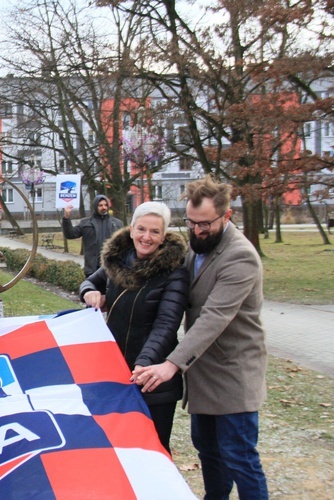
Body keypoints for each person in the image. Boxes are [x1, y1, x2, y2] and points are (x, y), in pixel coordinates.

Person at [132, 176, 268, 499]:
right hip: (203, 374)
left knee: (240, 458)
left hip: (233, 376)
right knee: (208, 452)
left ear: (227, 215)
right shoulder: (197, 249)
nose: (197, 231)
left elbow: (214, 317)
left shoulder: (240, 256)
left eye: (205, 224)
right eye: (191, 223)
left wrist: (171, 365)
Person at [79, 201, 188, 454]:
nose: (146, 237)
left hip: (152, 378)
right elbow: (89, 282)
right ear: (131, 230)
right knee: (116, 449)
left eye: (154, 232)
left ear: (163, 237)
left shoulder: (175, 273)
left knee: (154, 451)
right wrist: (90, 292)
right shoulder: (117, 262)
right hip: (114, 373)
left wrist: (143, 363)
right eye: (141, 229)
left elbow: (166, 324)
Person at [62, 194, 123, 277]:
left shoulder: (117, 223)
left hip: (112, 270)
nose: (103, 207)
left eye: (105, 205)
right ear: (95, 206)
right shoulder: (85, 223)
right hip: (92, 269)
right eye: (100, 205)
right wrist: (66, 218)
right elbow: (70, 234)